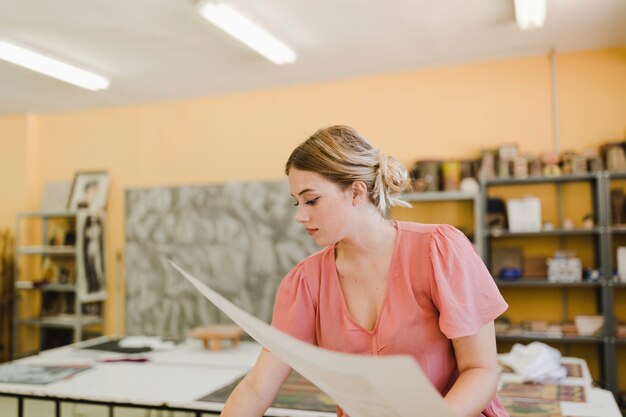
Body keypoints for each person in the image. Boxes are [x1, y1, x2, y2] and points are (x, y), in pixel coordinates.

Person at [220, 125, 509, 417]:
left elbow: (481, 371)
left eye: (312, 200)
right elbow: (257, 387)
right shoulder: (305, 282)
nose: (300, 215)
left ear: (356, 191)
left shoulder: (439, 250)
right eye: (297, 202)